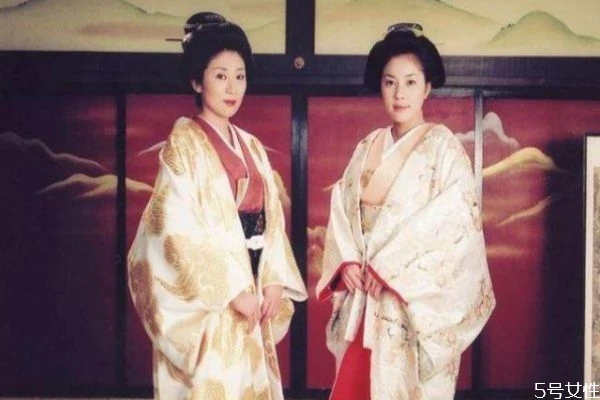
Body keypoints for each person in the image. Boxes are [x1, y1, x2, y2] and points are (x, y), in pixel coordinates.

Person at [127, 12, 307, 400]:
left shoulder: (252, 145)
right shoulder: (183, 145)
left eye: (240, 76)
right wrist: (230, 290)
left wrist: (274, 279)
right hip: (214, 300)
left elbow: (272, 222)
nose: (232, 87)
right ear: (197, 80)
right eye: (220, 75)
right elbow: (173, 230)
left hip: (254, 285)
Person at [316, 23, 495, 400]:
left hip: (407, 306)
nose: (400, 94)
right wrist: (346, 262)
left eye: (411, 82)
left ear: (427, 87)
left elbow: (455, 229)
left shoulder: (444, 149)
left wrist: (390, 269)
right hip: (364, 300)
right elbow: (343, 212)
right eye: (390, 82)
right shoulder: (367, 147)